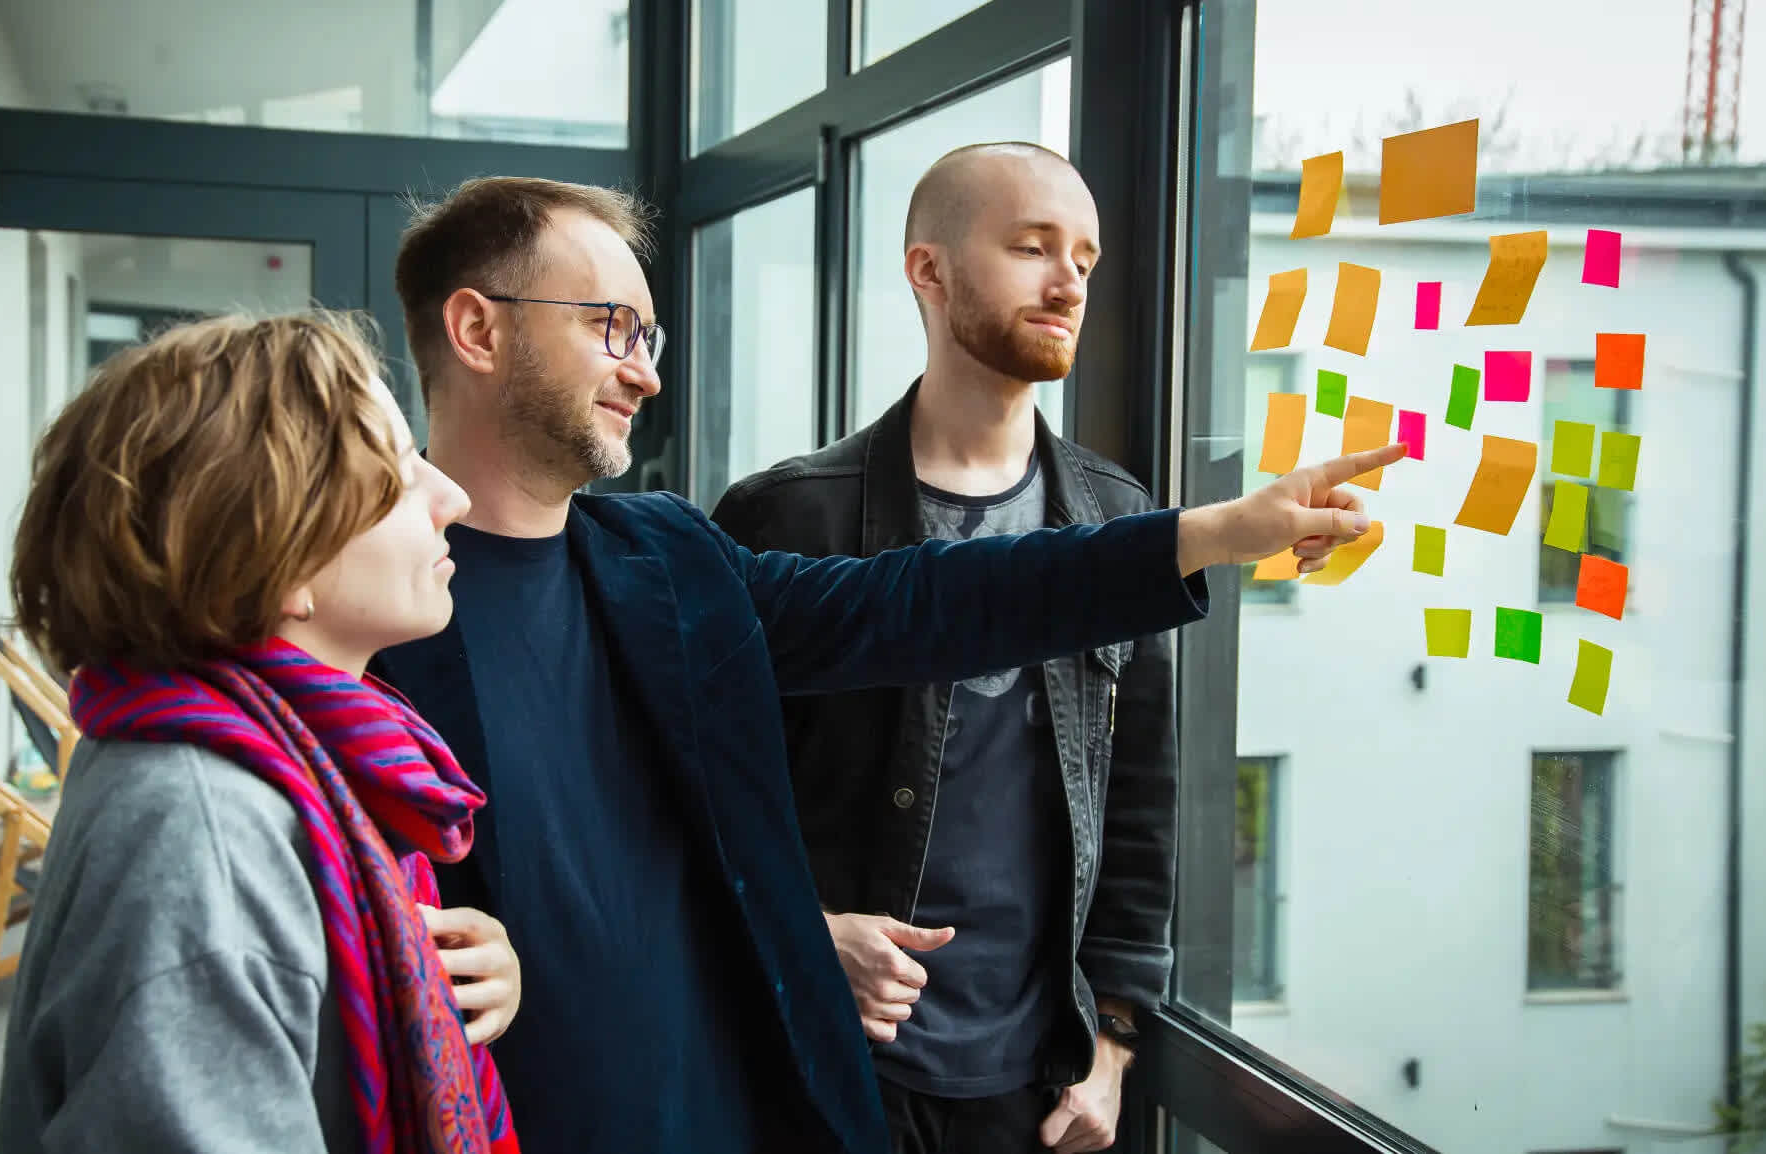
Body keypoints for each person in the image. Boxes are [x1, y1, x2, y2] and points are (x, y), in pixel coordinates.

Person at [372, 176, 1398, 1154]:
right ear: (478, 328)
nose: (643, 369)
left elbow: (927, 600)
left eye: (649, 335)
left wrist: (1209, 533)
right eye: (610, 326)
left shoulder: (668, 557)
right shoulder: (365, 612)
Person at [711, 141, 1175, 1154]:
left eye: (1084, 260)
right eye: (1032, 247)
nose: (1068, 283)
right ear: (928, 269)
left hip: (1038, 1092)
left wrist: (1115, 1047)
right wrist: (808, 929)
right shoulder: (786, 516)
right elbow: (710, 801)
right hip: (831, 1066)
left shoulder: (1115, 518)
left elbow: (1140, 805)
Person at [0, 313, 524, 1154]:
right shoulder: (201, 824)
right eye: (393, 475)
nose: (450, 496)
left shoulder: (272, 755)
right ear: (273, 553)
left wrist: (439, 978)